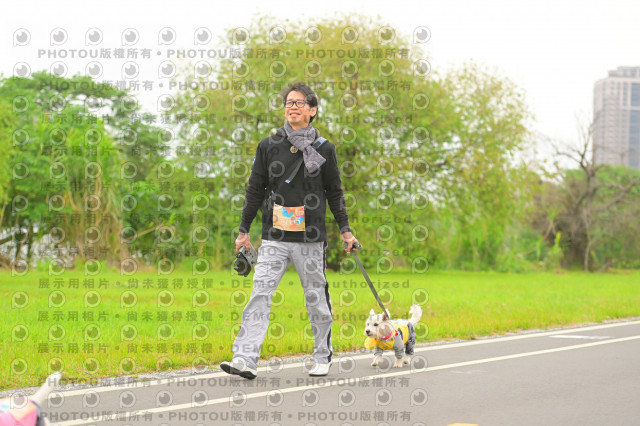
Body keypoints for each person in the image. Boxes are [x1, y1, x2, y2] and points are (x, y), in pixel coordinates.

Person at [220, 82, 358, 379]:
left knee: (316, 298)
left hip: (310, 238)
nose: (292, 107)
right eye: (289, 102)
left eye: (299, 103)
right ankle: (244, 358)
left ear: (312, 110)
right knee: (260, 294)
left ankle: (322, 355)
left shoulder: (324, 149)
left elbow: (335, 192)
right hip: (275, 236)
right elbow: (254, 189)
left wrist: (345, 230)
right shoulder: (269, 145)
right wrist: (243, 231)